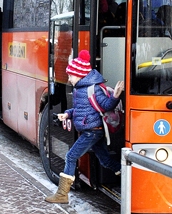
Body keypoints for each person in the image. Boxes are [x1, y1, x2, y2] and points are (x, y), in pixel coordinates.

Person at [45, 50, 123, 204]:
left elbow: (106, 105)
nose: (69, 79)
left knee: (71, 156)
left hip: (92, 132)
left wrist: (115, 96)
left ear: (80, 75)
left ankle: (62, 194)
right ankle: (126, 173)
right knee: (105, 160)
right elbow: (80, 109)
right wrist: (67, 114)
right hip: (92, 131)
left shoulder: (93, 88)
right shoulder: (80, 89)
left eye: (71, 76)